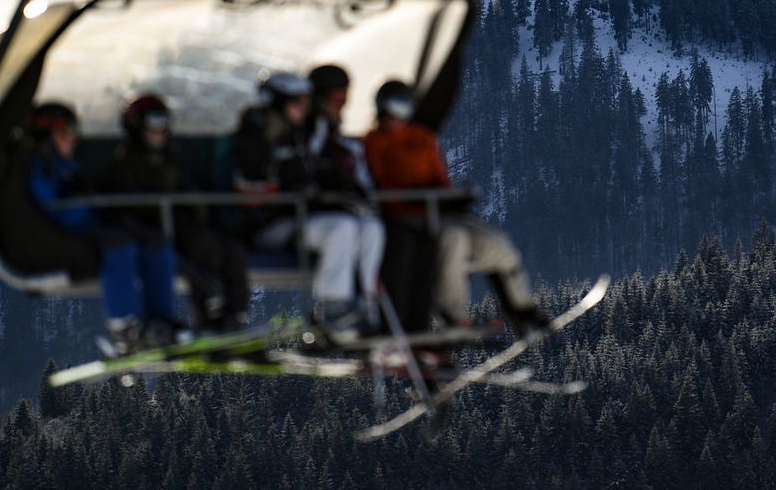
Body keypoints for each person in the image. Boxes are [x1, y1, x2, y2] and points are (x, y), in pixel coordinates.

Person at [363, 81, 550, 336]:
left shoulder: (422, 139)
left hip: (439, 212)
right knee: (453, 240)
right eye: (390, 108)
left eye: (401, 108)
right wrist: (418, 199)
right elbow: (380, 182)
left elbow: (439, 178)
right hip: (407, 217)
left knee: (496, 243)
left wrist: (453, 198)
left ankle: (521, 309)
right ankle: (453, 316)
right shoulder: (374, 142)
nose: (394, 116)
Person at [234, 70, 385, 339]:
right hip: (268, 224)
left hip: (298, 218)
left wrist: (336, 192)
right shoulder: (257, 136)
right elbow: (257, 184)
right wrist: (300, 191)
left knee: (371, 228)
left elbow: (311, 175)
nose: (304, 109)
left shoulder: (299, 135)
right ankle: (333, 307)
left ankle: (365, 302)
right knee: (340, 228)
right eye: (297, 103)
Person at [23, 102, 180, 356]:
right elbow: (51, 209)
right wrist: (90, 208)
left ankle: (160, 320)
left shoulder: (64, 166)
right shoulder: (39, 167)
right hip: (60, 234)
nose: (72, 139)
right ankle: (124, 328)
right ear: (47, 136)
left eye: (74, 132)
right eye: (66, 133)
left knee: (155, 241)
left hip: (86, 225)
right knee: (118, 245)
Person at [104, 95, 251, 333]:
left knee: (232, 249)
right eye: (154, 125)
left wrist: (192, 207)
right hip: (151, 228)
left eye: (164, 124)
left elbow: (183, 188)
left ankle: (236, 313)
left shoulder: (171, 157)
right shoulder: (126, 163)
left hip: (179, 223)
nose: (160, 132)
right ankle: (207, 312)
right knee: (202, 247)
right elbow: (123, 208)